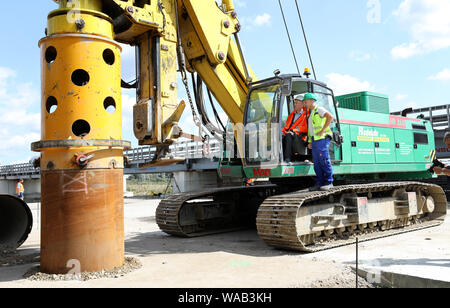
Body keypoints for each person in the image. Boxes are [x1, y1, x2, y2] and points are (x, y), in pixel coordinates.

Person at [304, 93, 334, 191]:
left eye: (306, 101)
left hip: (322, 139)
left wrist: (323, 130)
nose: (304, 103)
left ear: (312, 101)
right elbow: (311, 130)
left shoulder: (319, 110)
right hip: (315, 140)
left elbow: (330, 117)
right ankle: (319, 183)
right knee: (317, 163)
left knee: (324, 160)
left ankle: (329, 182)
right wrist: (310, 141)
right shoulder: (311, 113)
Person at [282, 95, 310, 163]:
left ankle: (287, 158)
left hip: (300, 137)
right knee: (280, 136)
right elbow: (287, 126)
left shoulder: (306, 114)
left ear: (302, 104)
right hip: (291, 134)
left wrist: (295, 130)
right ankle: (280, 157)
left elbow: (307, 128)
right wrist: (282, 132)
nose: (294, 104)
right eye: (294, 102)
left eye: (296, 102)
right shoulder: (291, 115)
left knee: (288, 135)